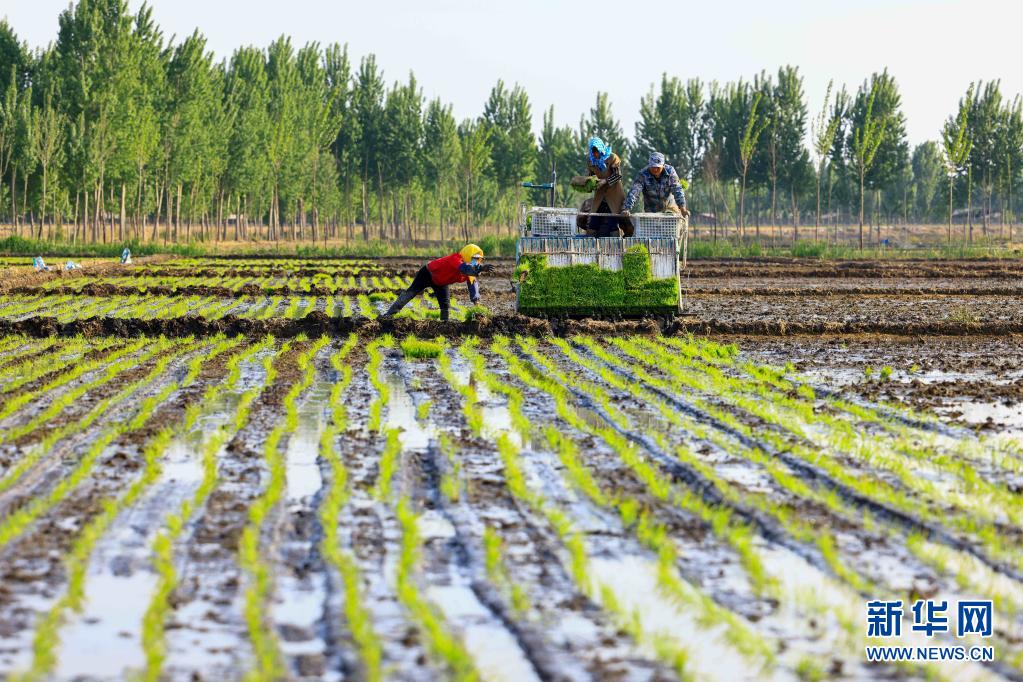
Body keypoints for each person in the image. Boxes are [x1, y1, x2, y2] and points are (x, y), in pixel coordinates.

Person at [381, 244, 494, 321]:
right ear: (468, 254)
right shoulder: (456, 259)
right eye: (474, 258)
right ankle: (388, 315)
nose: (476, 261)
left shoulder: (472, 272)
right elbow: (464, 268)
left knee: (445, 305)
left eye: (478, 259)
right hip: (428, 273)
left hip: (440, 282)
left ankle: (444, 325)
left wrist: (476, 303)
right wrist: (480, 268)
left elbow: (473, 286)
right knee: (411, 293)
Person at [583, 136, 633, 237]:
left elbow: (618, 176)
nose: (595, 154)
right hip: (600, 196)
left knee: (612, 225)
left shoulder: (612, 158)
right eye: (593, 152)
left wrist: (605, 181)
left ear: (601, 149)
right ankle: (590, 245)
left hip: (614, 195)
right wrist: (589, 183)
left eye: (597, 151)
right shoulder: (590, 160)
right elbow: (591, 176)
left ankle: (615, 244)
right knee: (592, 224)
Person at [621, 151, 691, 219]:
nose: (655, 169)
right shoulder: (643, 174)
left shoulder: (670, 172)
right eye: (653, 167)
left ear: (663, 165)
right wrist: (626, 208)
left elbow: (677, 189)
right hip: (651, 212)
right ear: (649, 165)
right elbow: (634, 192)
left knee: (672, 223)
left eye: (658, 167)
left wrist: (683, 208)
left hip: (670, 209)